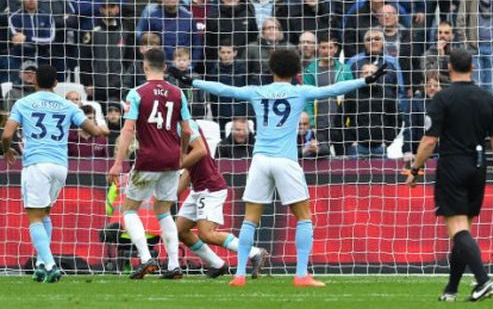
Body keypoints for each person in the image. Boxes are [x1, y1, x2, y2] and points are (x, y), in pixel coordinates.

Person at [193, 48, 388, 287]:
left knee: (250, 219)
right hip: (286, 160)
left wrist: (192, 80)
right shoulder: (300, 92)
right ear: (297, 71)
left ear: (271, 69)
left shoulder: (258, 91)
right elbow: (333, 89)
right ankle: (301, 275)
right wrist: (366, 80)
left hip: (261, 160)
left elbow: (224, 90)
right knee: (304, 217)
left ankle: (240, 275)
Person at [405, 48, 493, 302]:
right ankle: (451, 290)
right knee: (463, 234)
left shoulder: (442, 98)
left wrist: (415, 169)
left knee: (458, 231)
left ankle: (483, 281)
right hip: (479, 168)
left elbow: (429, 141)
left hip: (453, 166)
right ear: (473, 68)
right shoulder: (488, 98)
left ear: (449, 68)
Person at [2, 65, 109, 283]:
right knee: (45, 214)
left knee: (33, 216)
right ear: (56, 83)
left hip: (36, 164)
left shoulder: (23, 103)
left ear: (34, 82)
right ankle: (41, 264)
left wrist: (6, 149)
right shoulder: (68, 105)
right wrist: (103, 127)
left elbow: (7, 134)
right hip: (60, 166)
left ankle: (50, 265)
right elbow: (95, 131)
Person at [107, 48, 194, 279]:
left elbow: (128, 129)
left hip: (148, 158)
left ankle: (146, 259)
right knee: (164, 211)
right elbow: (186, 129)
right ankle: (174, 265)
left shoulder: (136, 93)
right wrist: (182, 153)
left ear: (144, 67)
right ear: (165, 68)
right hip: (171, 159)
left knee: (129, 209)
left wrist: (118, 163)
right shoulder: (178, 93)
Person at [176, 119, 269, 278]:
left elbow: (201, 151)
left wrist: (175, 164)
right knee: (180, 230)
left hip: (211, 187)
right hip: (198, 188)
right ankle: (217, 264)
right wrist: (173, 194)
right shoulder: (176, 126)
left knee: (207, 234)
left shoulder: (186, 126)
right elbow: (189, 170)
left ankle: (254, 253)